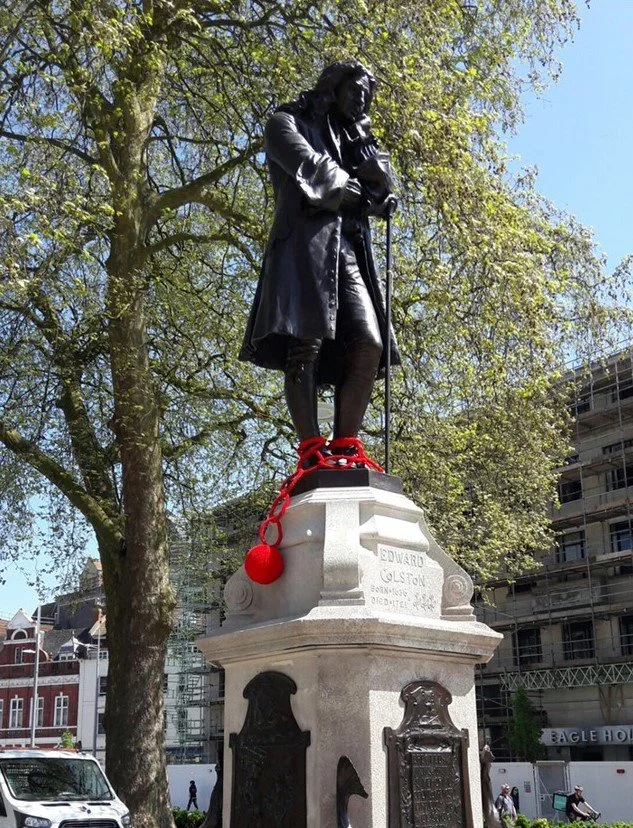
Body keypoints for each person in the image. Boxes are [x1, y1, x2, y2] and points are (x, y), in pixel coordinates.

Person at [239, 59, 399, 465]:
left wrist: (377, 178)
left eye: (367, 96)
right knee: (303, 345)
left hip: (348, 251)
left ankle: (345, 448)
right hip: (304, 249)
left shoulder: (352, 141)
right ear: (333, 87)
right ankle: (312, 450)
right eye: (355, 91)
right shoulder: (285, 123)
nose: (361, 101)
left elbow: (380, 198)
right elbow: (310, 171)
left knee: (369, 343)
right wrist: (357, 190)